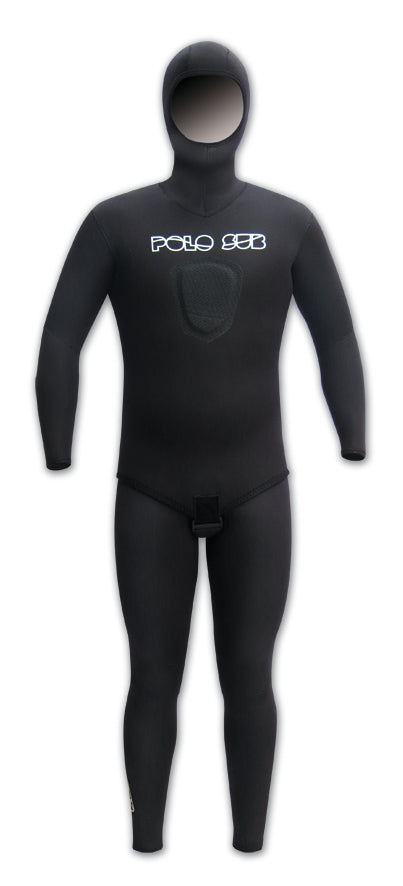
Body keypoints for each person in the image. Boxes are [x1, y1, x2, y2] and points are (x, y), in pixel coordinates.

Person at [35, 39, 366, 853]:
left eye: (220, 99)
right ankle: (146, 846)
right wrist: (57, 445)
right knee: (152, 677)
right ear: (166, 109)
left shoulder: (287, 223)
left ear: (246, 108)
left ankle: (249, 846)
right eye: (195, 99)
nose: (207, 117)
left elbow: (335, 336)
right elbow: (59, 339)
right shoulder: (116, 223)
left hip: (257, 486)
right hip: (150, 487)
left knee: (248, 677)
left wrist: (352, 435)